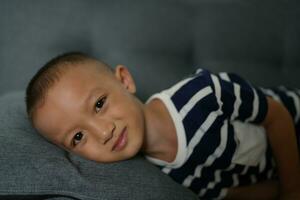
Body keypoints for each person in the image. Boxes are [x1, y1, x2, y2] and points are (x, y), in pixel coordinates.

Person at [26, 52, 300, 199]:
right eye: (77, 137)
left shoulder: (201, 95)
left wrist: (291, 189)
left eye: (99, 104)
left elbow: (277, 116)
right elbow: (231, 193)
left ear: (124, 81)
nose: (104, 132)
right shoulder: (165, 174)